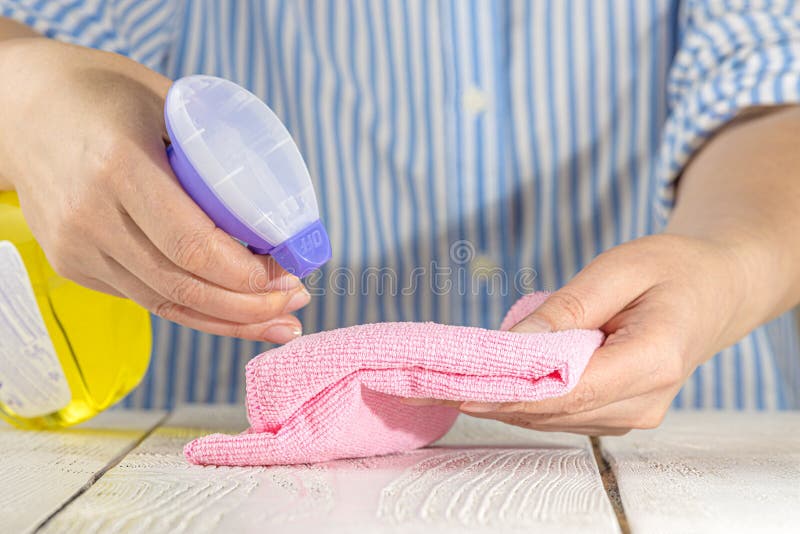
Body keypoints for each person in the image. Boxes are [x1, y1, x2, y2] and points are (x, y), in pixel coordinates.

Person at [0, 1, 798, 434]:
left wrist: (727, 262)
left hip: (692, 455)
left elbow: (771, 70)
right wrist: (27, 91)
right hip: (186, 467)